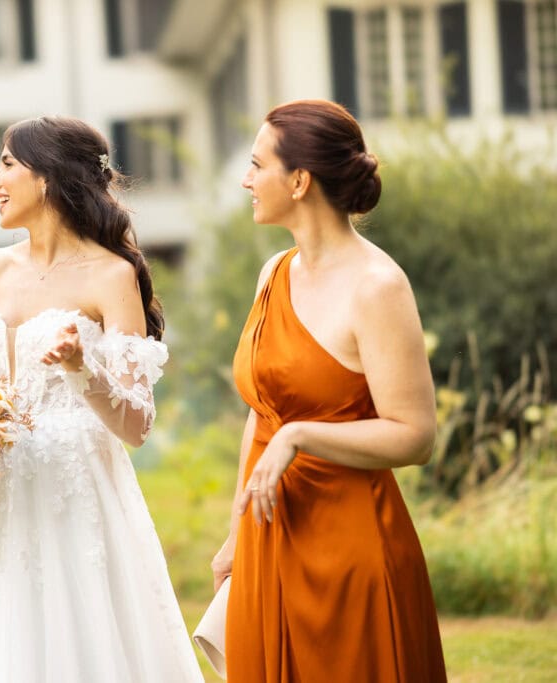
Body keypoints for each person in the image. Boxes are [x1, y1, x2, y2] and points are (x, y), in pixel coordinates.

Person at [0, 116, 203, 682]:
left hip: (70, 500)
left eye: (8, 164)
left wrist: (81, 368)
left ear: (46, 179)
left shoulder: (112, 276)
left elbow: (136, 425)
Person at [210, 99, 447, 681]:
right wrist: (237, 534)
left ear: (298, 180)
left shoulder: (378, 286)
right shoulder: (275, 272)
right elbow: (261, 414)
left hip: (352, 551)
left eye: (256, 165)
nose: (246, 180)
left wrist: (300, 435)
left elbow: (416, 437)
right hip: (270, 538)